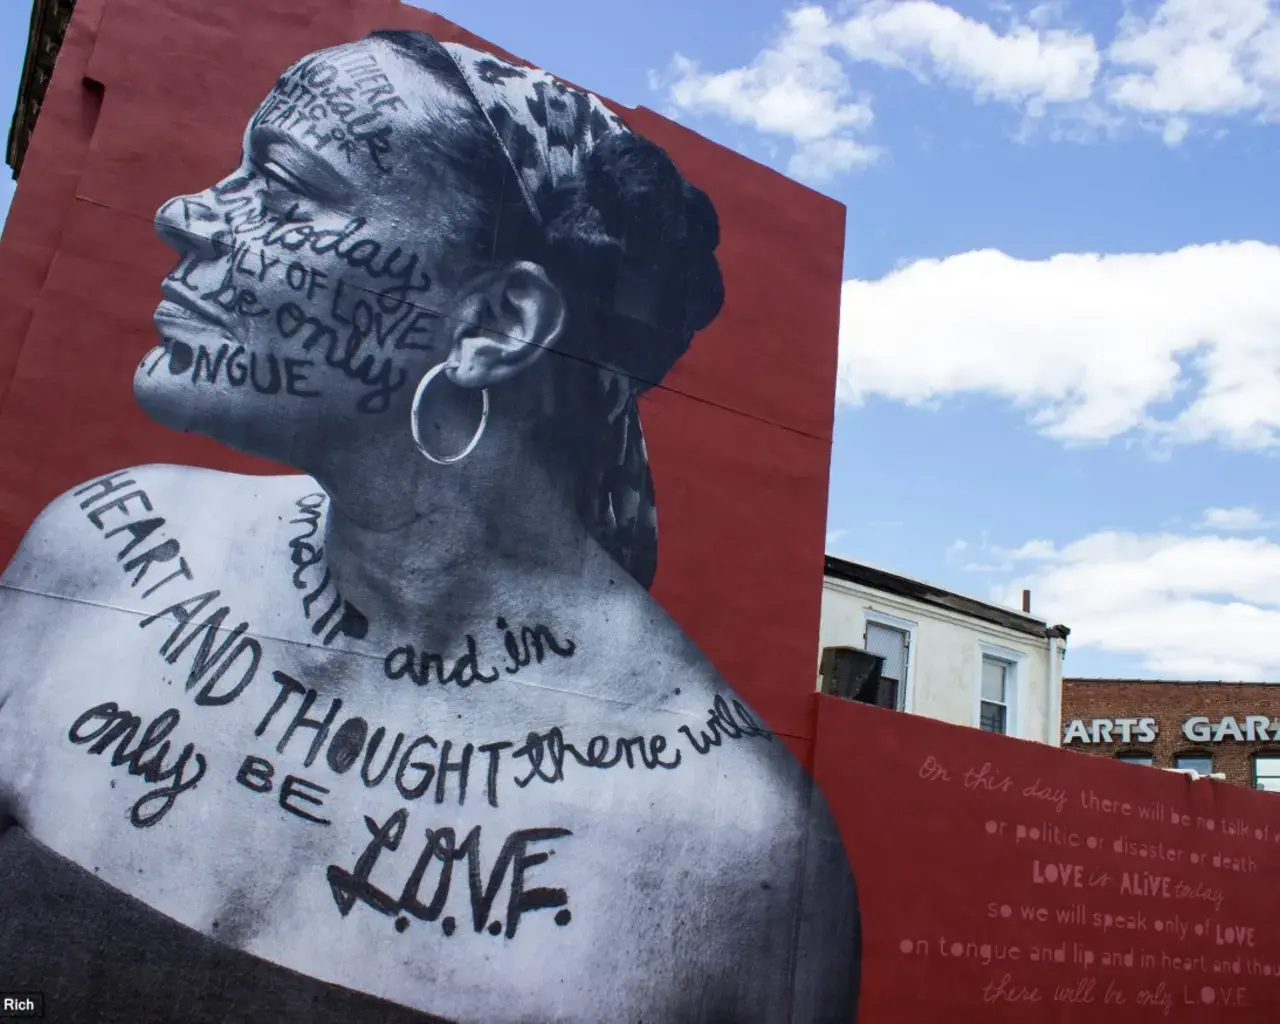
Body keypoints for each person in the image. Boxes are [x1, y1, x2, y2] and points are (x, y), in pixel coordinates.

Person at [0, 30, 859, 1023]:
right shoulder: (99, 551)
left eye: (283, 188)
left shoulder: (733, 846)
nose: (183, 214)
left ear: (493, 323)